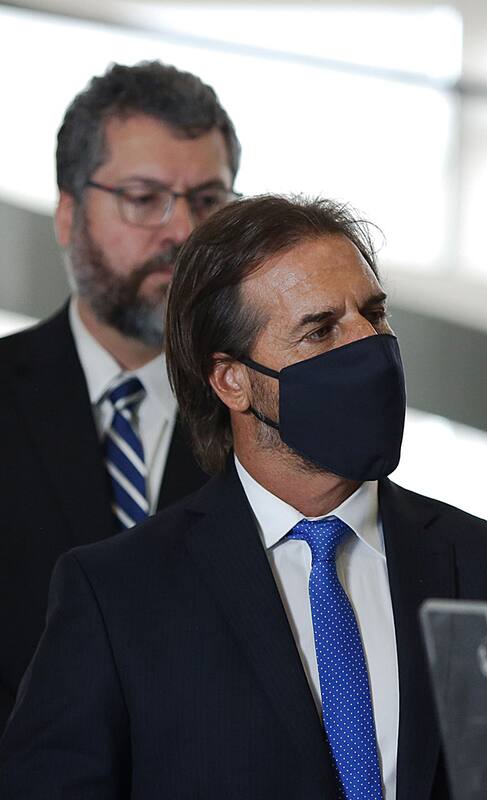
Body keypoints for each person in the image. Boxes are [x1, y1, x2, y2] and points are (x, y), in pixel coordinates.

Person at [0, 195, 487, 799]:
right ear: (232, 380)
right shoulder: (117, 595)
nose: (365, 346)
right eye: (320, 331)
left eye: (373, 315)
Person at [0, 61, 238, 725]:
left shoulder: (270, 422)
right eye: (143, 198)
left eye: (208, 201)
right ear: (69, 214)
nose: (183, 233)